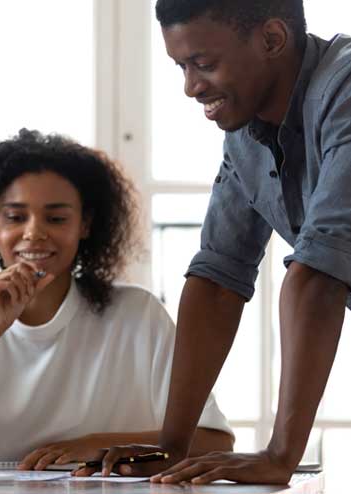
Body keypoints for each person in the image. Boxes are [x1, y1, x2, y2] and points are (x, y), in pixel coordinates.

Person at [0, 130, 234, 472]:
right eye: (15, 217)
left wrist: (97, 444)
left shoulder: (137, 316)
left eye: (57, 217)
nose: (34, 232)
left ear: (86, 225)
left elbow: (214, 441)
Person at [99, 0, 351, 485]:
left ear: (272, 40)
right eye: (182, 67)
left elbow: (319, 274)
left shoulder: (345, 89)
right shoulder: (245, 137)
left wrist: (279, 456)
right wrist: (171, 447)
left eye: (204, 64)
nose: (191, 87)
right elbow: (217, 281)